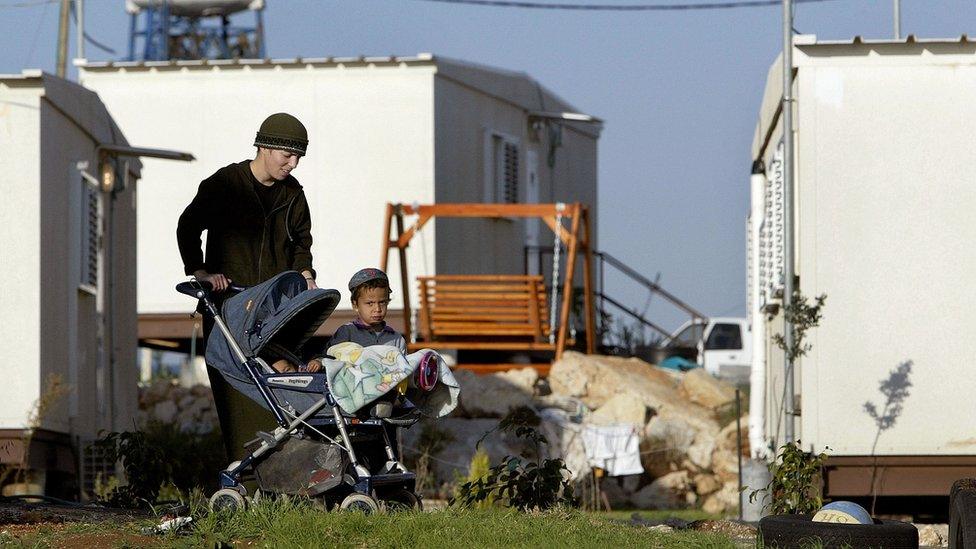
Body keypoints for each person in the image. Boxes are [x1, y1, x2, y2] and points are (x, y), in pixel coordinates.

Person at [176, 112, 317, 459]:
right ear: (265, 147)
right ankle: (246, 480)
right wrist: (201, 272)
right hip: (228, 311)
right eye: (288, 155)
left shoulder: (293, 195)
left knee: (280, 395)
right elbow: (188, 226)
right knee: (236, 401)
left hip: (274, 316)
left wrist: (308, 276)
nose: (294, 164)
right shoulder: (224, 184)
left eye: (299, 157)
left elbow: (302, 243)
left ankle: (283, 481)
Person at [327, 268, 407, 354]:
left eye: (382, 302)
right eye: (370, 303)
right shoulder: (347, 333)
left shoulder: (396, 339)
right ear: (355, 305)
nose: (378, 309)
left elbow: (404, 365)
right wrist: (319, 361)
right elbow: (330, 356)